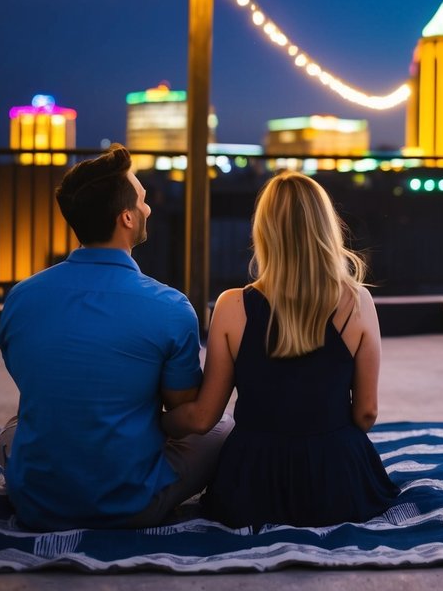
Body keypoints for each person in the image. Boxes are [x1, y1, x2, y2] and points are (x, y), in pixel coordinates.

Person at [0, 144, 232, 530]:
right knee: (221, 427)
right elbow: (184, 411)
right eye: (142, 200)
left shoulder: (21, 297)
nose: (149, 208)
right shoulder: (170, 307)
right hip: (131, 503)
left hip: (36, 502)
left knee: (15, 426)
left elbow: (31, 379)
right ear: (126, 217)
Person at [162, 171, 398, 528]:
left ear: (264, 231)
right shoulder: (357, 301)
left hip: (252, 486)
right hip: (337, 486)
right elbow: (366, 414)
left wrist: (157, 422)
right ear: (326, 229)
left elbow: (203, 417)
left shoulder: (231, 305)